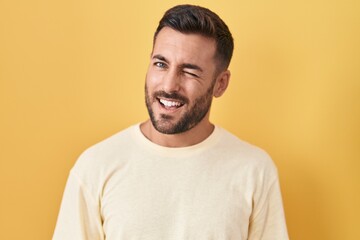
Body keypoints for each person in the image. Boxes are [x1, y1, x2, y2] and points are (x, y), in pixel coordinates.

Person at [53, 4, 289, 240]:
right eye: (160, 64)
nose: (168, 85)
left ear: (220, 84)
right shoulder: (96, 166)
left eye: (190, 72)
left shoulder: (254, 170)